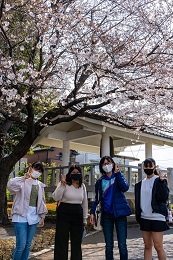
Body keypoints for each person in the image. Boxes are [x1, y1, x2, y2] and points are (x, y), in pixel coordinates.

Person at [90, 155, 132, 260]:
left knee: (122, 245)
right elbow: (97, 198)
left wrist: (118, 174)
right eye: (104, 164)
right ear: (101, 166)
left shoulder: (118, 176)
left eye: (108, 163)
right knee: (109, 246)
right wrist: (92, 212)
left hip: (120, 215)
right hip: (107, 215)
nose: (107, 165)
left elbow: (125, 188)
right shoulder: (99, 182)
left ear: (113, 164)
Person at [7, 161, 48, 260]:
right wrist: (23, 178)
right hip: (20, 216)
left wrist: (42, 216)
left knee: (28, 245)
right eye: (36, 169)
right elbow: (10, 186)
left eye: (39, 171)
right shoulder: (22, 181)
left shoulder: (40, 185)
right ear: (31, 168)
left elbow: (42, 201)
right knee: (21, 245)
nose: (37, 172)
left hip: (34, 217)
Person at [135, 158, 169, 260]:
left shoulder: (159, 181)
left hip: (157, 217)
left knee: (158, 246)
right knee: (147, 246)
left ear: (154, 167)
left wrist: (162, 181)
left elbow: (163, 198)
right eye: (146, 166)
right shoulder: (139, 184)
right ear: (143, 167)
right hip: (144, 217)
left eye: (150, 166)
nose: (148, 168)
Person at [52, 164, 88, 260]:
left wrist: (85, 219)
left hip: (77, 213)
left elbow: (84, 203)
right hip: (64, 212)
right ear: (69, 173)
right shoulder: (64, 183)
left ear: (80, 174)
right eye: (73, 172)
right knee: (61, 239)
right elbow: (56, 197)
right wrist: (62, 185)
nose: (75, 174)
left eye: (77, 172)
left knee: (76, 241)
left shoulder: (82, 186)